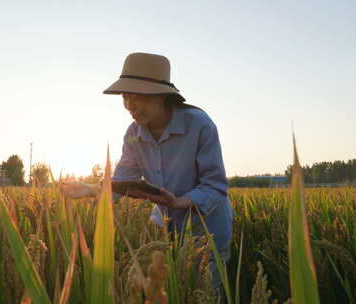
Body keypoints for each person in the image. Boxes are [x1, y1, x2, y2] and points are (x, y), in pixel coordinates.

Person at [61, 52, 233, 295]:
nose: (129, 106)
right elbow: (122, 182)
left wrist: (179, 201)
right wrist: (90, 189)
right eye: (125, 98)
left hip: (206, 231)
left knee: (206, 294)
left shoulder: (200, 125)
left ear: (161, 96)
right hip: (162, 231)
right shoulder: (134, 132)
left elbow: (215, 187)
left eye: (136, 97)